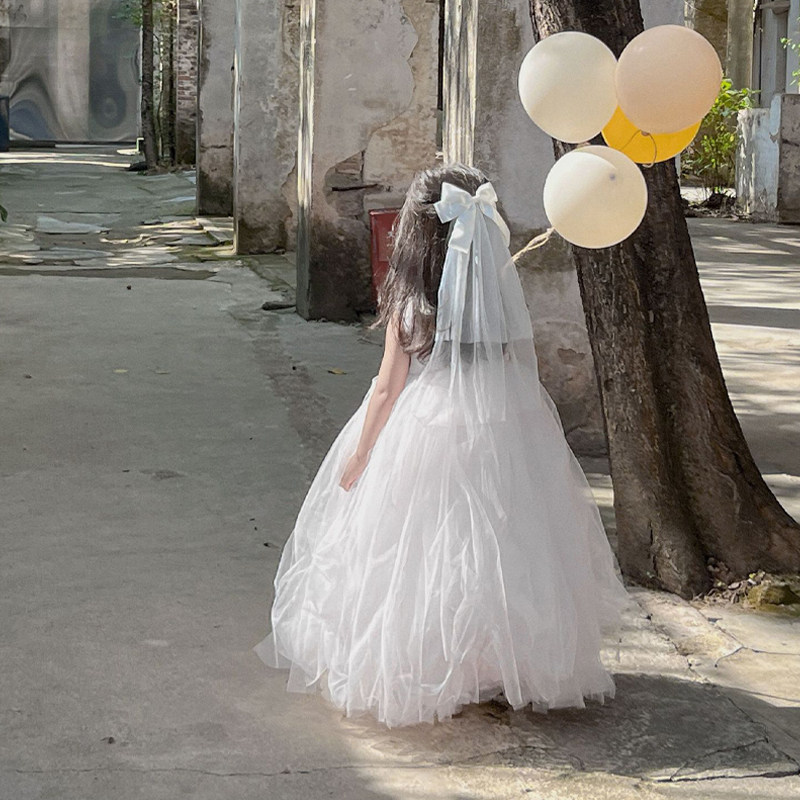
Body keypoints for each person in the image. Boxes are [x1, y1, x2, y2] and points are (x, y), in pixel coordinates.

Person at [254, 163, 632, 729]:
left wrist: (360, 454)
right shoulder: (497, 294)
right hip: (502, 420)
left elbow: (386, 388)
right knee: (501, 545)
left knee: (427, 549)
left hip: (428, 428)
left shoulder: (410, 305)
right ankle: (503, 663)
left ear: (416, 233)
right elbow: (508, 360)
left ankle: (438, 668)